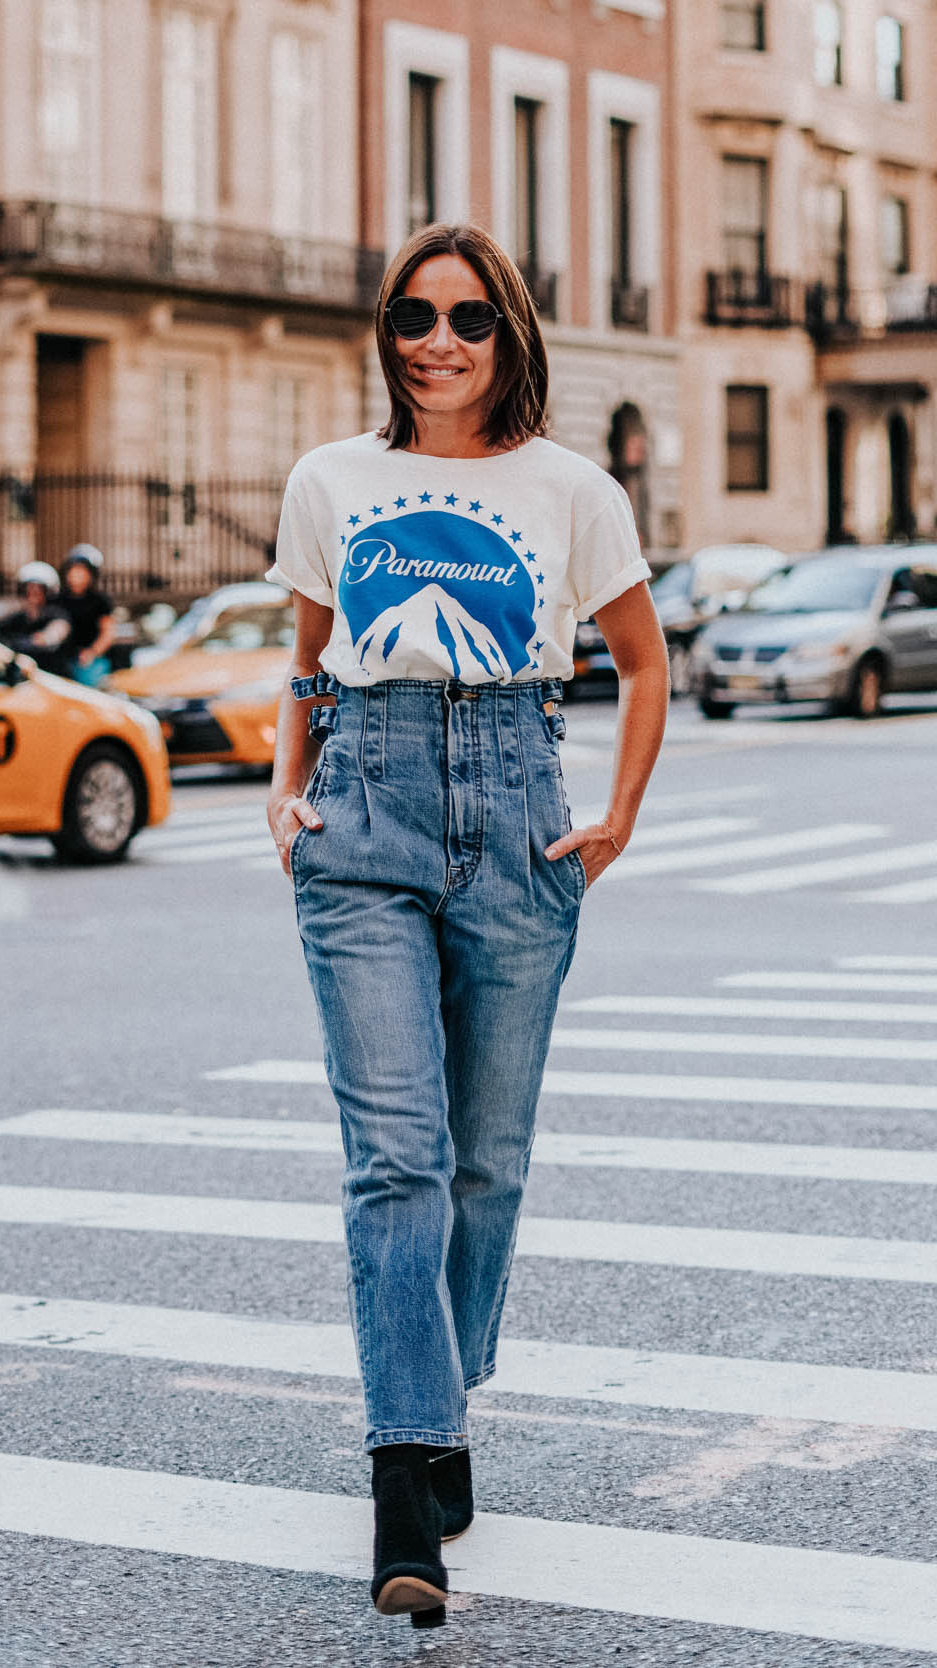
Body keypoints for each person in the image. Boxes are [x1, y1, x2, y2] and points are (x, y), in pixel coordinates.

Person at [266, 222, 668, 1625]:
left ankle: (441, 1397)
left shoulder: (571, 488)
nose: (436, 342)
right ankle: (406, 1479)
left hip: (516, 801)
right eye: (413, 318)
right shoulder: (333, 479)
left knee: (486, 1162)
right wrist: (285, 793)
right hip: (363, 814)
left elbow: (641, 659)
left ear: (512, 334)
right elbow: (309, 660)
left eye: (468, 319)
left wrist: (612, 819)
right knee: (398, 1161)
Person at [0, 561, 73, 675]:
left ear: (48, 592)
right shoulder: (18, 617)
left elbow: (56, 632)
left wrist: (44, 638)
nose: (33, 592)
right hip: (22, 678)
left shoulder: (57, 615)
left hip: (52, 677)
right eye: (29, 588)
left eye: (39, 589)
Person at [60, 543, 118, 684]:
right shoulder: (59, 599)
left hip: (89, 661)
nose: (76, 574)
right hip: (63, 657)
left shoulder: (100, 601)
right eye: (73, 569)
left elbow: (108, 633)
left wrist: (92, 652)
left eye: (82, 570)